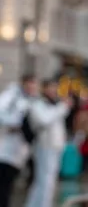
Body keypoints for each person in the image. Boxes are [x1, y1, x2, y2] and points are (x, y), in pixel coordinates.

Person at [24, 79, 72, 207]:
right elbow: (45, 120)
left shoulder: (55, 105)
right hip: (44, 146)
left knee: (46, 182)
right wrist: (62, 107)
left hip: (56, 147)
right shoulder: (37, 104)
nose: (53, 91)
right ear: (44, 89)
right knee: (45, 182)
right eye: (50, 88)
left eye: (55, 88)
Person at [0, 74, 39, 207]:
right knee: (5, 183)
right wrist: (15, 124)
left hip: (23, 149)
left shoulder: (32, 100)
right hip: (8, 149)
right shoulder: (13, 96)